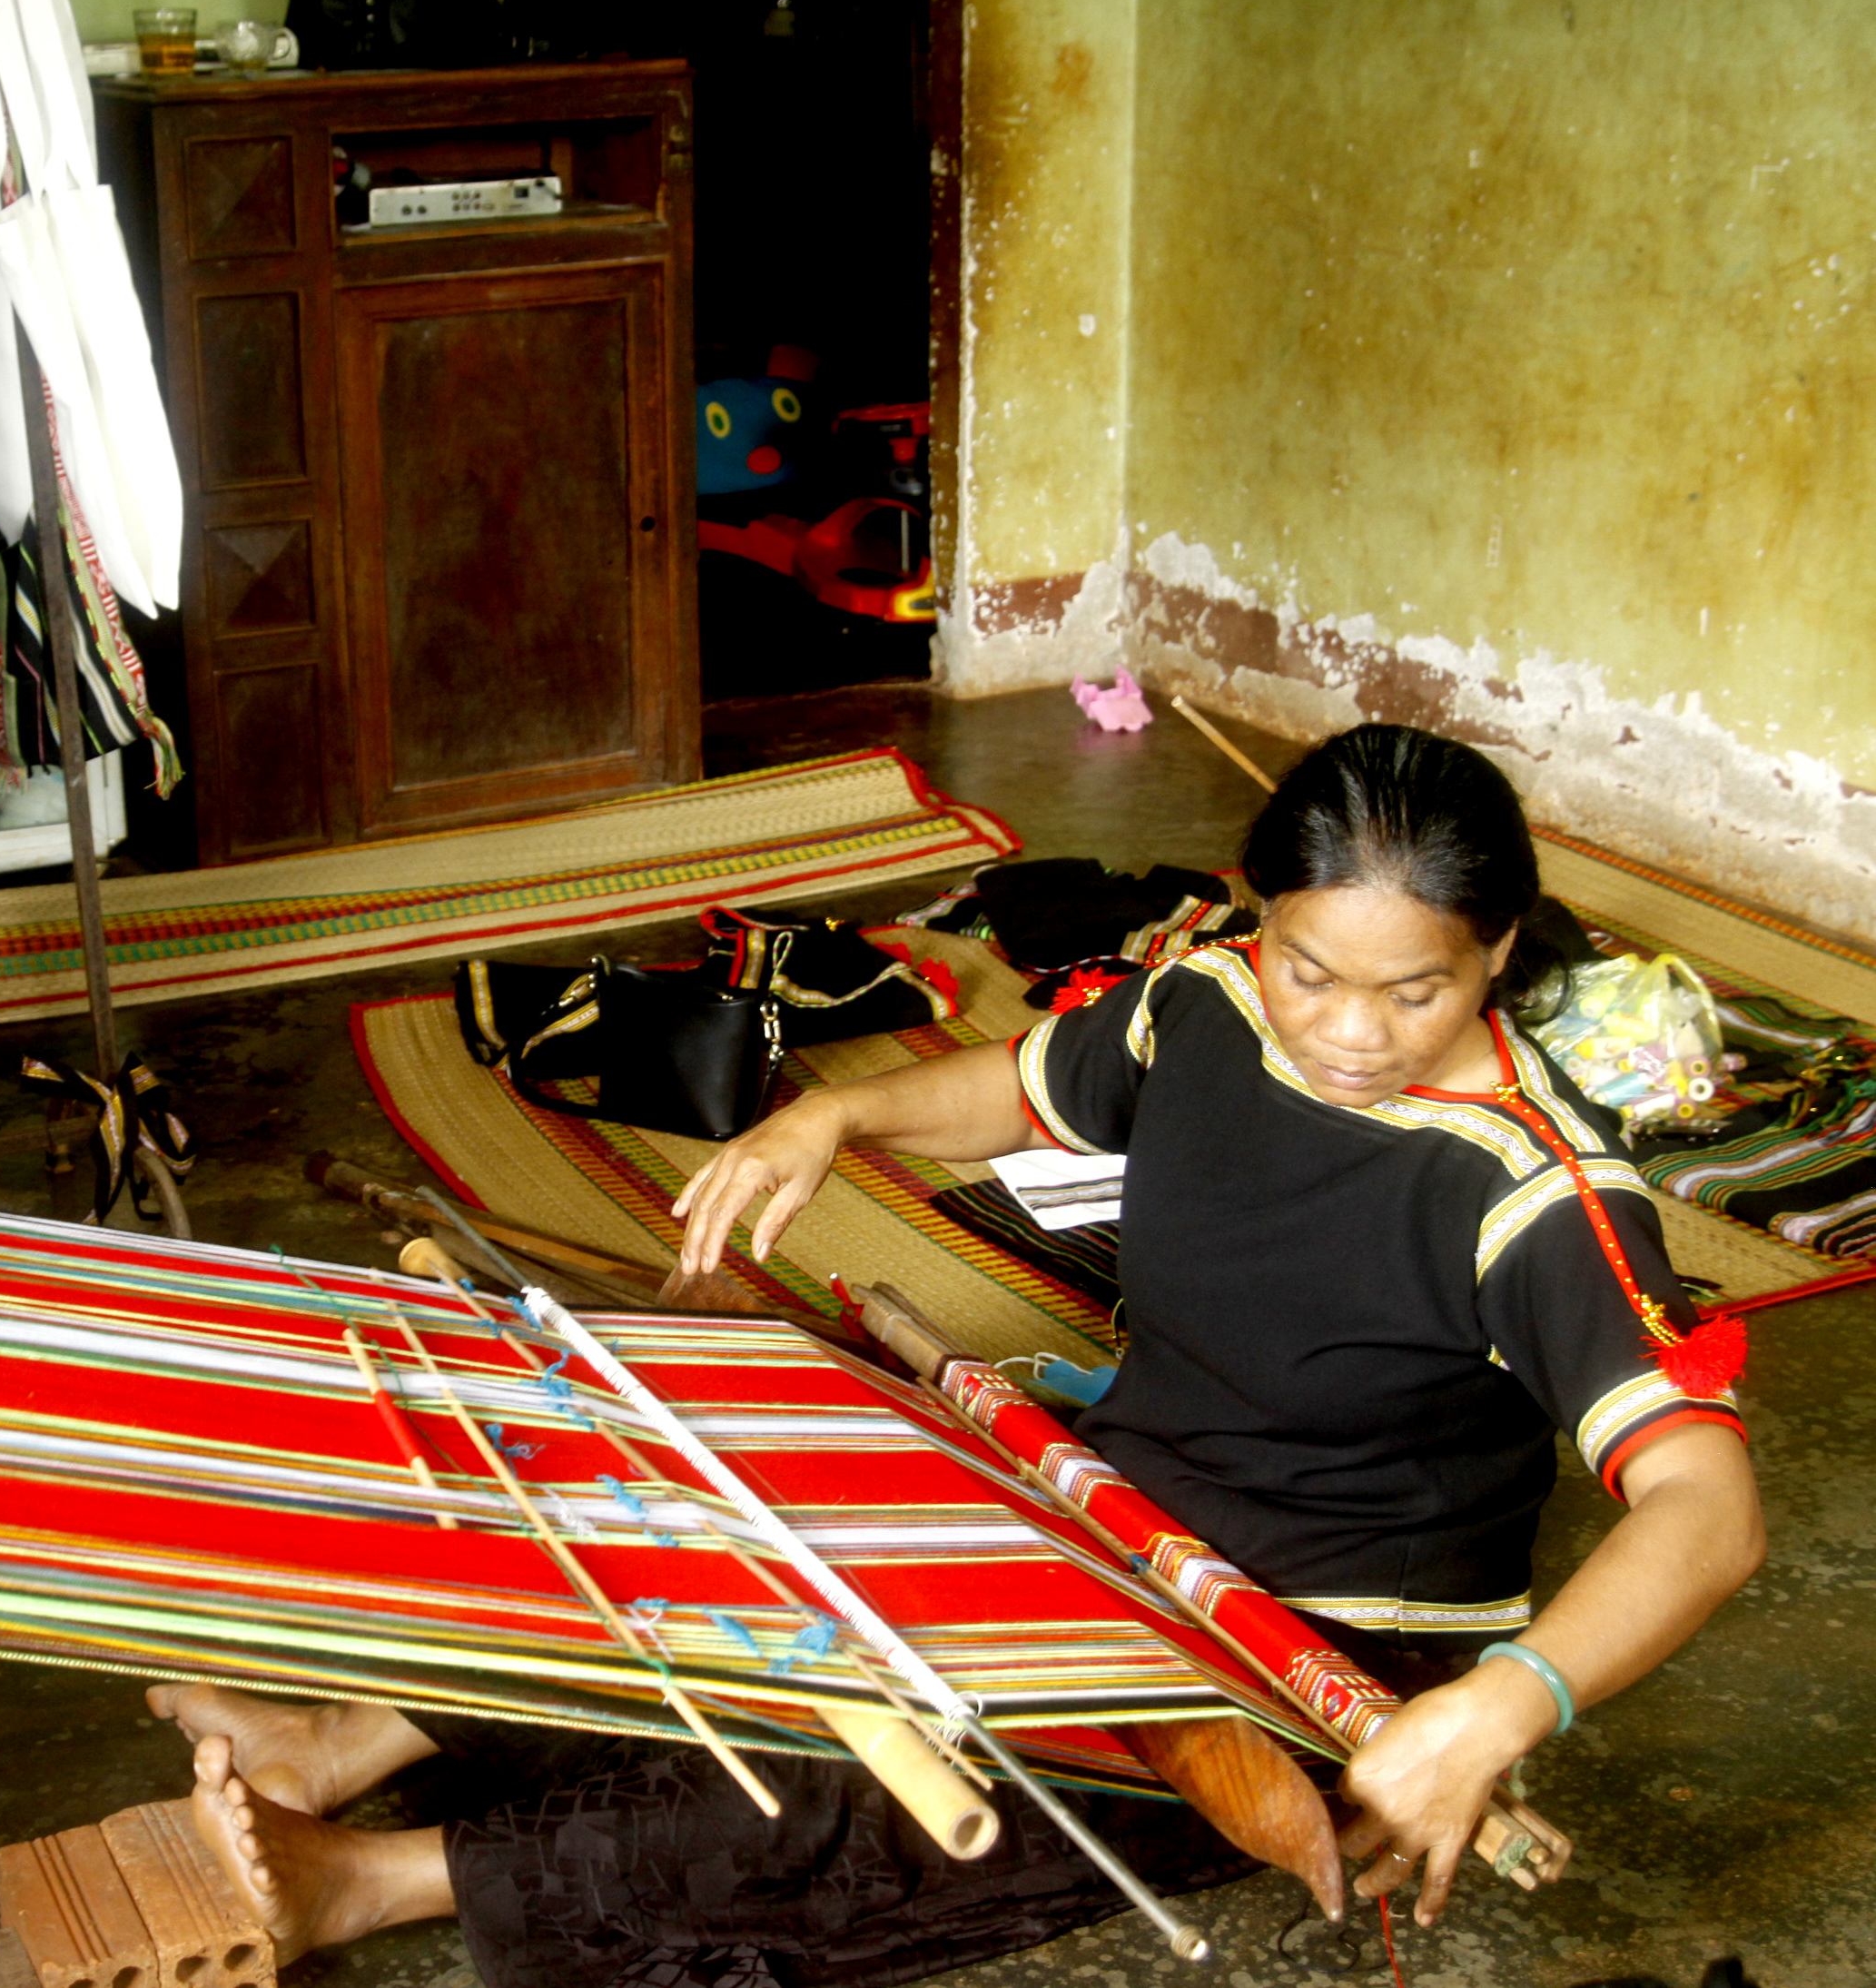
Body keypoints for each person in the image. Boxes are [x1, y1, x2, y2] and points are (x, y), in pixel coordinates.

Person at [154, 724, 1766, 1983]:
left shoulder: (1537, 1192)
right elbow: (1031, 1085)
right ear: (1258, 918)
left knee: (915, 1779)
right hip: (1104, 1508)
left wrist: (1502, 1706)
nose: (1348, 1032)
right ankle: (346, 1744)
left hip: (1300, 1651)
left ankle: (376, 1883)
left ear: (1498, 953)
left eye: (1414, 991)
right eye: (1310, 968)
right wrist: (838, 1114)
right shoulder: (1206, 1006)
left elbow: (1707, 1507)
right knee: (720, 1488)